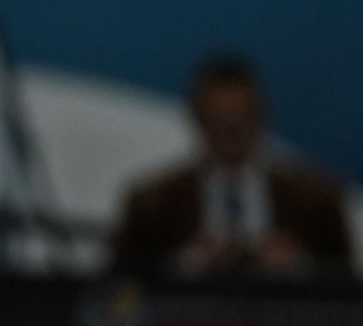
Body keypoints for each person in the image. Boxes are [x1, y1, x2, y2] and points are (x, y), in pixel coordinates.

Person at [111, 55, 352, 278]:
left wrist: (299, 266)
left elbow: (347, 292)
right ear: (197, 117)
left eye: (240, 116)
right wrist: (182, 265)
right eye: (219, 118)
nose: (230, 129)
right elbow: (116, 293)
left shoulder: (315, 202)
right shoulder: (153, 206)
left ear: (260, 115)